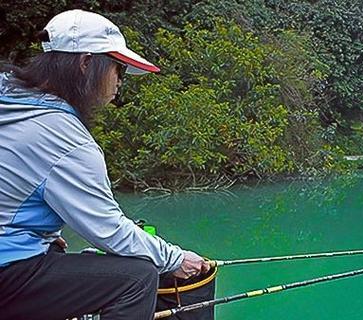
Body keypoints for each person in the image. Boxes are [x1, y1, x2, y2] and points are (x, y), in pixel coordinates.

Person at [0, 9, 210, 320]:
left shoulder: (11, 98)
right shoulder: (66, 139)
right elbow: (110, 231)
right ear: (86, 63)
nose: (119, 83)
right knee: (136, 278)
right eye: (117, 70)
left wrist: (34, 235)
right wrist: (175, 258)